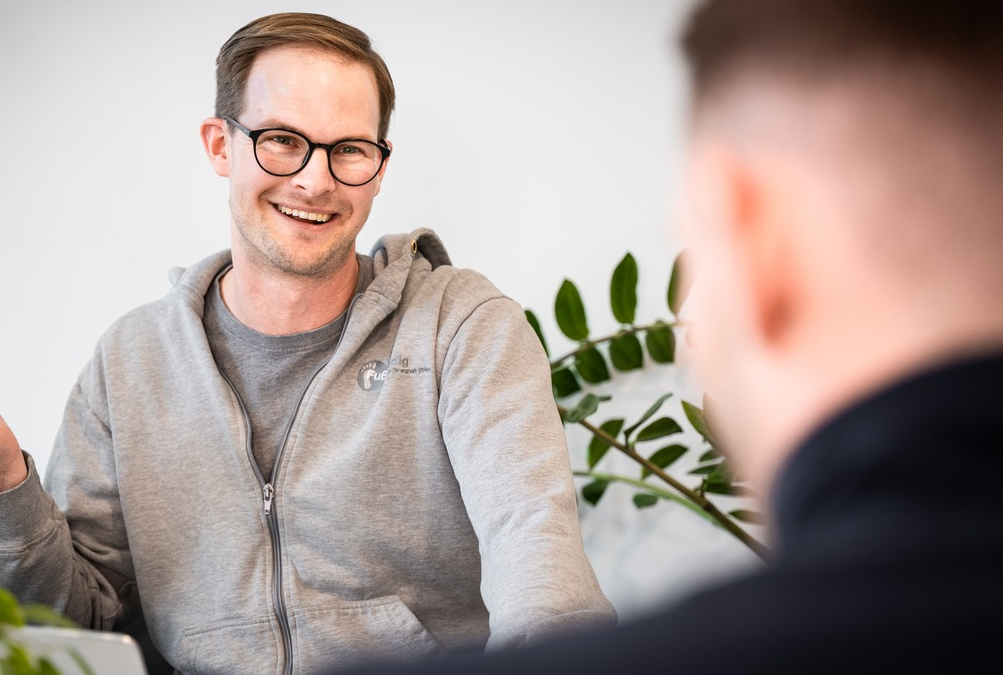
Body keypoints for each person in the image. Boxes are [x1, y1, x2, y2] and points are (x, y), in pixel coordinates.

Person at [0, 12, 615, 675]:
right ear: (220, 144)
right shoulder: (131, 362)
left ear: (380, 166)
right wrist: (2, 472)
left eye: (349, 150)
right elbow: (72, 631)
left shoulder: (464, 326)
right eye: (282, 141)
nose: (316, 181)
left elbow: (538, 563)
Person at [333, 0, 1003, 673]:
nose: (687, 338)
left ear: (753, 233)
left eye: (693, 246)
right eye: (283, 141)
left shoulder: (465, 318)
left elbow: (532, 548)